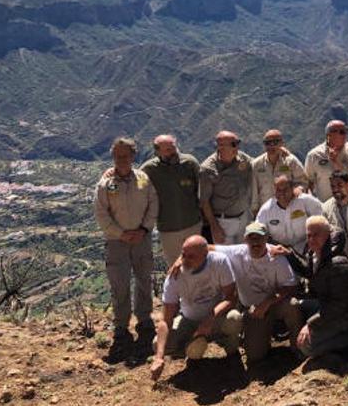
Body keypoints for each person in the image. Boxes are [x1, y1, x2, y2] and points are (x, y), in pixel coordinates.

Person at [94, 137, 158, 353]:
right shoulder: (106, 184)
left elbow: (153, 205)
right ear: (113, 157)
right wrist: (120, 234)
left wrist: (144, 230)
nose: (121, 159)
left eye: (126, 155)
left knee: (143, 280)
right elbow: (101, 214)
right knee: (119, 284)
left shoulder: (143, 180)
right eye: (117, 156)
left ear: (133, 156)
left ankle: (144, 319)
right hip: (116, 242)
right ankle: (121, 325)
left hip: (142, 239)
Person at [150, 235, 242, 381]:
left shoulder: (219, 262)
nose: (185, 260)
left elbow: (231, 297)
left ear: (206, 255)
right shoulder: (175, 276)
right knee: (158, 344)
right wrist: (159, 358)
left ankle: (230, 349)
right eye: (183, 254)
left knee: (234, 319)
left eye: (191, 256)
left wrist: (211, 318)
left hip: (217, 318)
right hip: (188, 319)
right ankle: (192, 349)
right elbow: (165, 321)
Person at [295, 216, 348, 357]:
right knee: (297, 306)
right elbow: (308, 271)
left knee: (306, 346)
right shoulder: (316, 254)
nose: (311, 239)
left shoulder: (338, 264)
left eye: (316, 235)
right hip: (330, 306)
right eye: (308, 235)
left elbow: (338, 306)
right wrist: (288, 254)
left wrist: (310, 324)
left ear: (328, 234)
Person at [233, 222, 304, 362]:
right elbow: (209, 248)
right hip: (253, 310)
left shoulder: (277, 256)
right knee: (255, 356)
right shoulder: (236, 253)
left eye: (259, 237)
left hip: (275, 304)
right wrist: (182, 257)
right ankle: (259, 334)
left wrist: (268, 302)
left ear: (266, 239)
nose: (255, 242)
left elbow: (291, 286)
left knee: (292, 305)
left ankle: (299, 348)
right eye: (251, 238)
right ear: (245, 240)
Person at [139, 134, 203, 266]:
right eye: (167, 150)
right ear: (157, 152)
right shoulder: (149, 169)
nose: (173, 151)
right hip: (168, 230)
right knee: (175, 267)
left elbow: (202, 191)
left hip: (193, 224)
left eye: (173, 147)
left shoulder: (190, 163)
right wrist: (111, 172)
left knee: (199, 263)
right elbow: (136, 184)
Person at [200, 130, 253, 244]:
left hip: (244, 217)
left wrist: (280, 152)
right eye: (233, 144)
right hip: (223, 223)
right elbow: (204, 201)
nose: (237, 147)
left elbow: (258, 165)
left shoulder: (242, 158)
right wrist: (214, 227)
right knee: (226, 258)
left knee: (244, 255)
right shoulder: (208, 169)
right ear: (221, 147)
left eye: (238, 143)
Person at [256, 175, 323, 255]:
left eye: (285, 189)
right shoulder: (266, 209)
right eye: (278, 190)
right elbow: (258, 233)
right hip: (280, 252)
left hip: (307, 249)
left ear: (292, 188)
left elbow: (323, 218)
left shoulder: (305, 201)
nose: (282, 193)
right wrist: (270, 248)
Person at [250, 129, 308, 214]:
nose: (271, 145)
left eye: (275, 142)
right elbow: (253, 190)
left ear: (282, 143)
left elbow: (303, 181)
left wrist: (298, 190)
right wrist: (255, 211)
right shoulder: (256, 164)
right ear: (264, 145)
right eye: (268, 143)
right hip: (266, 212)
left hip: (289, 209)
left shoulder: (291, 161)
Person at [305, 120, 348, 202]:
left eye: (345, 131)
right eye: (341, 132)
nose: (345, 134)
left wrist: (335, 161)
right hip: (325, 206)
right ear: (328, 135)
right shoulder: (314, 155)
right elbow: (308, 182)